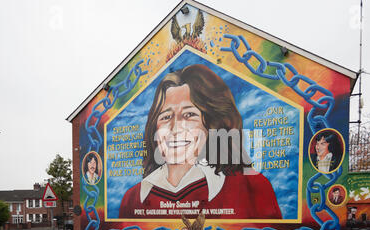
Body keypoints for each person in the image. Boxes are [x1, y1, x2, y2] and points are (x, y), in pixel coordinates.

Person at [119, 64, 282, 219]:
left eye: (189, 115)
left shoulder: (252, 188)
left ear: (212, 124)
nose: (175, 128)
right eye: (166, 117)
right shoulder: (133, 199)